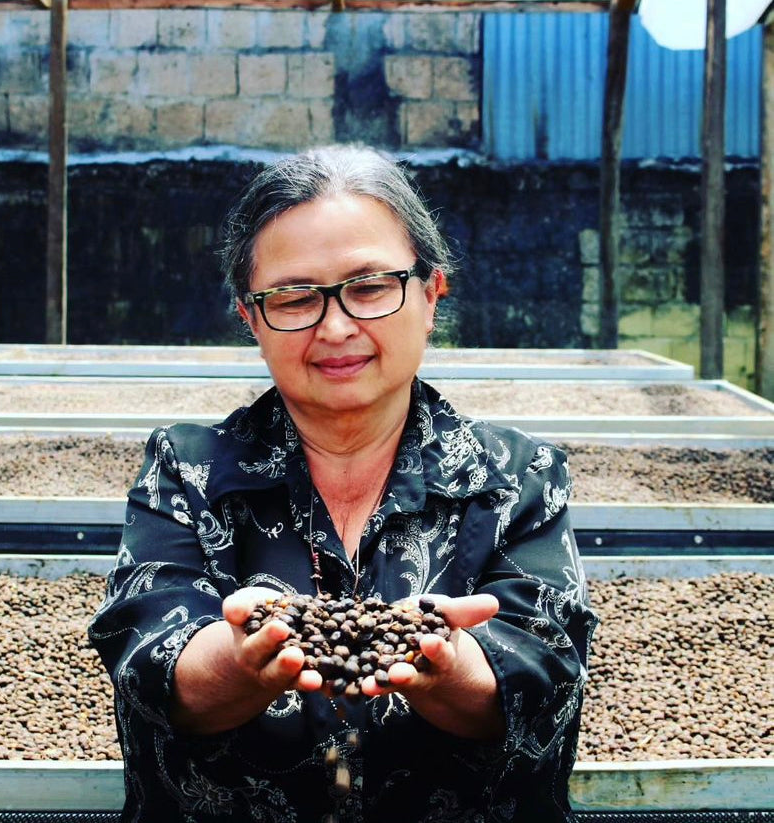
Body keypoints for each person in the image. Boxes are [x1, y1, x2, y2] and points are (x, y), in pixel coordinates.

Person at [89, 145, 598, 823]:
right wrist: (243, 662)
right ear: (251, 318)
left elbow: (542, 669)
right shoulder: (188, 471)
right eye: (294, 297)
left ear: (430, 293)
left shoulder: (516, 478)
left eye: (369, 287)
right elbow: (152, 659)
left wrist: (447, 665)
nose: (335, 326)